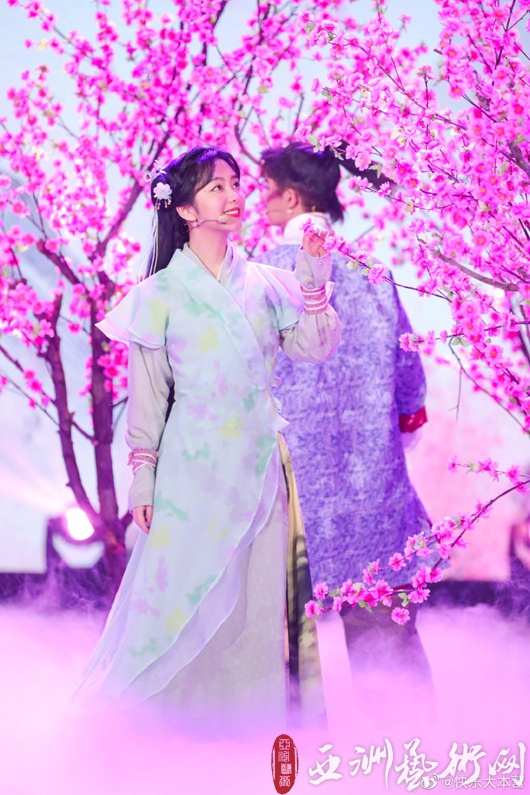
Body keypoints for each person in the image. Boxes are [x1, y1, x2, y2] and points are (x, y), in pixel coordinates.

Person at [75, 146, 340, 730]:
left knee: (256, 602)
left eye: (236, 183)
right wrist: (143, 477)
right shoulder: (158, 295)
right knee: (180, 599)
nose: (234, 195)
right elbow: (149, 398)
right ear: (186, 209)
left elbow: (315, 348)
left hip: (257, 462)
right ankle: (172, 735)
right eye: (217, 187)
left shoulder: (267, 284)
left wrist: (314, 284)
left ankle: (249, 732)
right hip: (189, 472)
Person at [256, 142, 434, 688]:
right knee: (385, 644)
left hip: (289, 485)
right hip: (369, 480)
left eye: (266, 189)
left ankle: (285, 746)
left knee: (281, 649)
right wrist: (400, 424)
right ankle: (408, 743)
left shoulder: (261, 277)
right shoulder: (372, 273)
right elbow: (408, 372)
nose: (259, 200)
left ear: (291, 197)